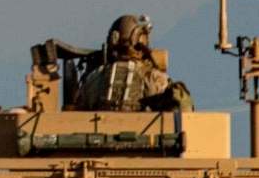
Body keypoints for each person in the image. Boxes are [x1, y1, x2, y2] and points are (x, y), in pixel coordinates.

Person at [64, 14, 192, 113]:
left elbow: (78, 112)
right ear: (140, 40)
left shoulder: (94, 78)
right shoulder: (154, 78)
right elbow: (181, 107)